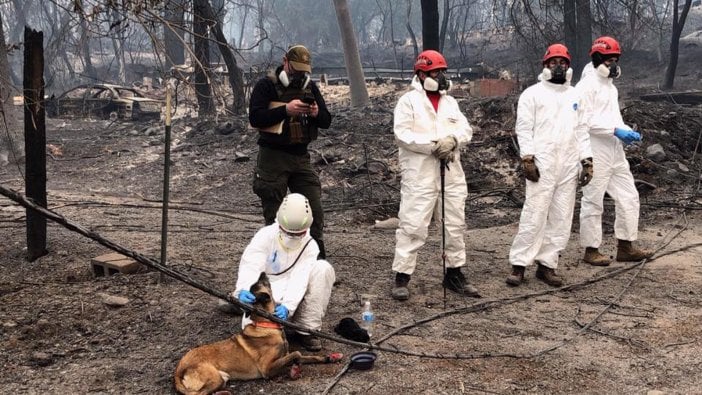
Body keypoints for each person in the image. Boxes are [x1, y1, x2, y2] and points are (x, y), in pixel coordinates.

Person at [390, 50, 478, 301]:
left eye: (442, 72)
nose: (440, 77)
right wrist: (433, 145)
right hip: (420, 173)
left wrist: (452, 140)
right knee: (413, 224)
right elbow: (402, 135)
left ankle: (454, 272)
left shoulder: (450, 103)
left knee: (454, 224)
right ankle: (402, 275)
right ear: (421, 73)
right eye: (435, 73)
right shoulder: (408, 102)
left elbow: (465, 129)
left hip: (451, 171)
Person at [506, 43, 593, 287]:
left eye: (562, 62)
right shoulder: (532, 94)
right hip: (542, 164)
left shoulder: (575, 95)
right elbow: (523, 128)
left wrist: (587, 160)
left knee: (562, 216)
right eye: (553, 62)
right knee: (534, 214)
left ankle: (547, 265)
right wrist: (527, 158)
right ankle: (519, 264)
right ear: (545, 65)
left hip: (568, 164)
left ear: (568, 66)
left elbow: (582, 130)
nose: (558, 66)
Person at [248, 44, 332, 259]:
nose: (299, 74)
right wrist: (285, 110)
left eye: (304, 70)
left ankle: (316, 259)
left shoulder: (310, 87)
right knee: (274, 213)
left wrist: (315, 113)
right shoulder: (266, 85)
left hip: (300, 158)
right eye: (295, 69)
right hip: (272, 158)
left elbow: (326, 121)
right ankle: (277, 260)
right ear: (285, 62)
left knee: (313, 208)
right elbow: (255, 118)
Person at [576, 36, 653, 266]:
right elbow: (584, 122)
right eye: (609, 60)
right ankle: (591, 250)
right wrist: (615, 131)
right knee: (593, 200)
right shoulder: (585, 86)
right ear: (598, 58)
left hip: (614, 150)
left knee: (629, 196)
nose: (613, 65)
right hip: (595, 150)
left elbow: (614, 119)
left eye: (615, 60)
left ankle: (626, 246)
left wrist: (627, 132)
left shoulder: (610, 88)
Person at [231, 193, 335, 352]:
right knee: (253, 331)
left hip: (293, 293)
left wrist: (289, 306)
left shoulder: (310, 246)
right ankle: (242, 307)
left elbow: (300, 278)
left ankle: (306, 329)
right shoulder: (266, 235)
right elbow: (251, 263)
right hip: (270, 288)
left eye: (297, 234)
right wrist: (245, 287)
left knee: (323, 268)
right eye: (288, 232)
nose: (292, 237)